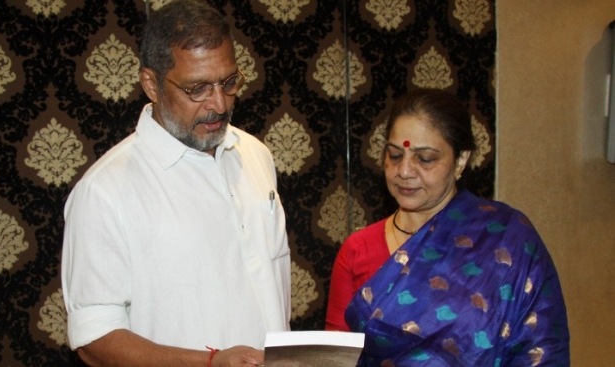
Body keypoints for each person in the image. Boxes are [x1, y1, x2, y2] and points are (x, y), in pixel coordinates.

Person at [60, 1, 291, 366]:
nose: (218, 103)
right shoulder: (104, 192)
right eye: (197, 88)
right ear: (151, 84)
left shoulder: (256, 155)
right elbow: (93, 339)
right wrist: (211, 362)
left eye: (229, 82)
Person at [325, 89, 569, 366]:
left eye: (424, 158)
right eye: (394, 155)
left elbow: (541, 350)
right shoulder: (358, 249)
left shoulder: (507, 239)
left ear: (461, 160)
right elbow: (335, 359)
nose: (404, 171)